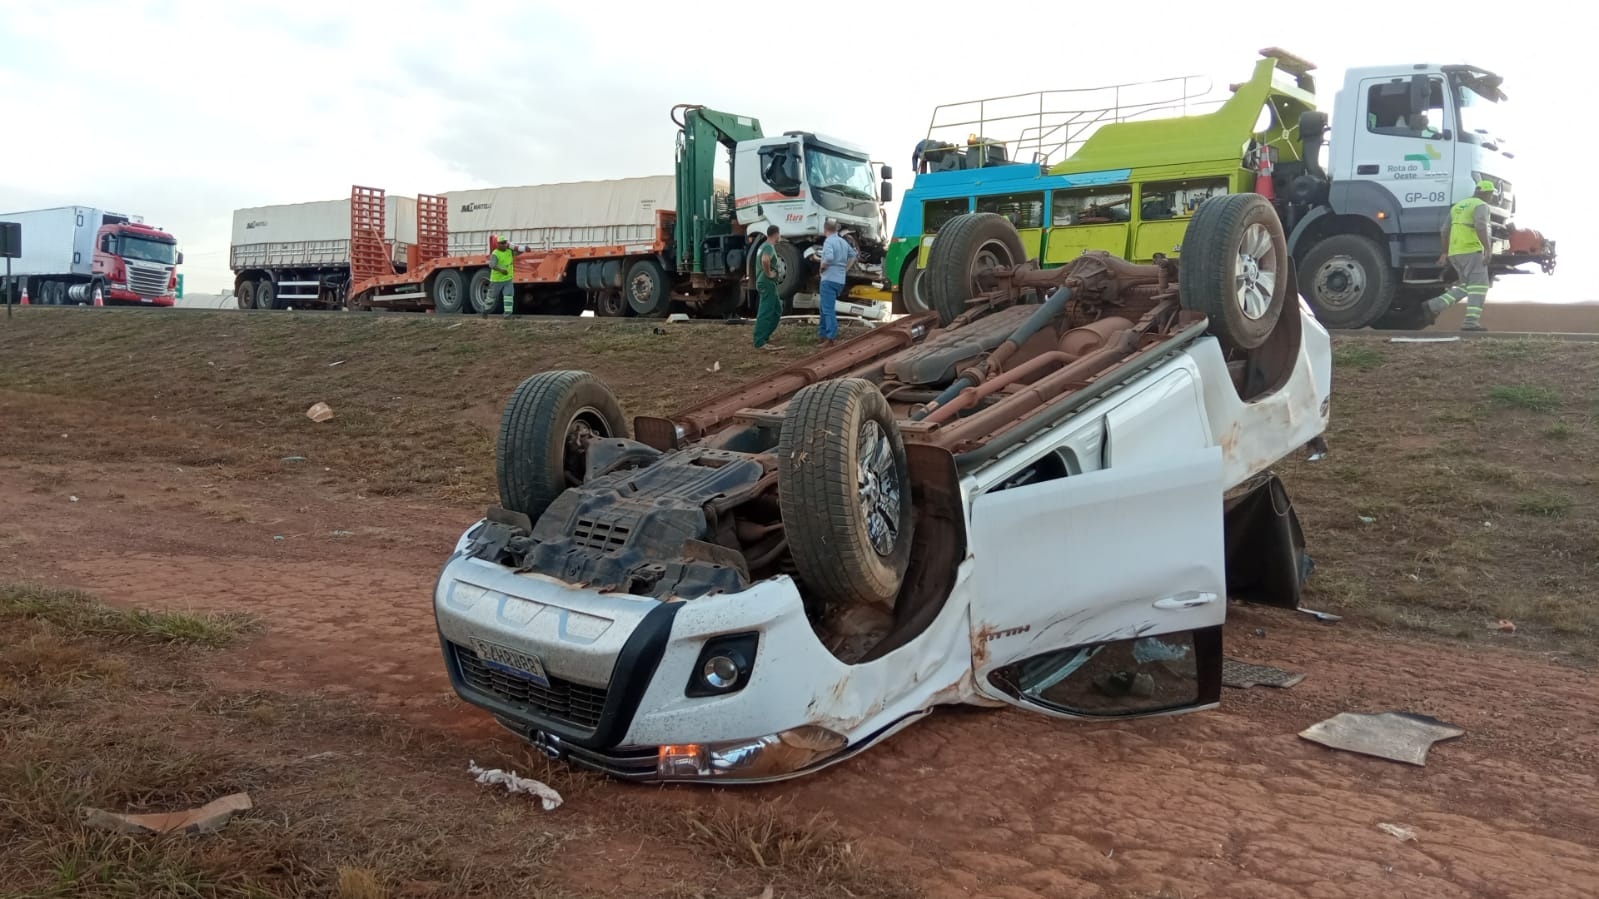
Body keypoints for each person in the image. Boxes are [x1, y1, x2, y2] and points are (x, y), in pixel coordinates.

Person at [1423, 180, 1495, 331]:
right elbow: (1481, 225)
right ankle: (1470, 322)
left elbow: (1444, 230)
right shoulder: (1480, 206)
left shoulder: (1458, 207)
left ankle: (1434, 305)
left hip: (1456, 252)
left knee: (1467, 286)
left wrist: (1445, 252)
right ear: (1487, 194)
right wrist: (1487, 249)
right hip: (1471, 250)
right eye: (1491, 194)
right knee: (1480, 286)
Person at [816, 221, 856, 348]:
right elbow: (853, 255)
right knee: (824, 307)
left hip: (828, 278)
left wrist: (822, 268)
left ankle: (830, 337)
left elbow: (828, 258)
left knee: (827, 309)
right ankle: (822, 334)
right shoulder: (843, 242)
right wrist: (845, 269)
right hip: (839, 280)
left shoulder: (829, 241)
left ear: (825, 229)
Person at [752, 225, 784, 351]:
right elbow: (765, 260)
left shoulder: (763, 246)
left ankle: (765, 335)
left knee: (777, 309)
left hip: (767, 283)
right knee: (765, 311)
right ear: (776, 234)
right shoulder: (768, 247)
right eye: (779, 233)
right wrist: (769, 273)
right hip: (767, 282)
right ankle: (759, 341)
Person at [483, 237, 517, 318]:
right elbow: (491, 265)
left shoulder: (509, 251)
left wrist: (513, 246)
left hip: (508, 279)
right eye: (502, 243)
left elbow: (519, 252)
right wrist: (501, 270)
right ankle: (485, 310)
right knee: (491, 297)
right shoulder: (495, 253)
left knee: (508, 297)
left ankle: (507, 315)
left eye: (505, 243)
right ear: (497, 244)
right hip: (497, 280)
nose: (504, 244)